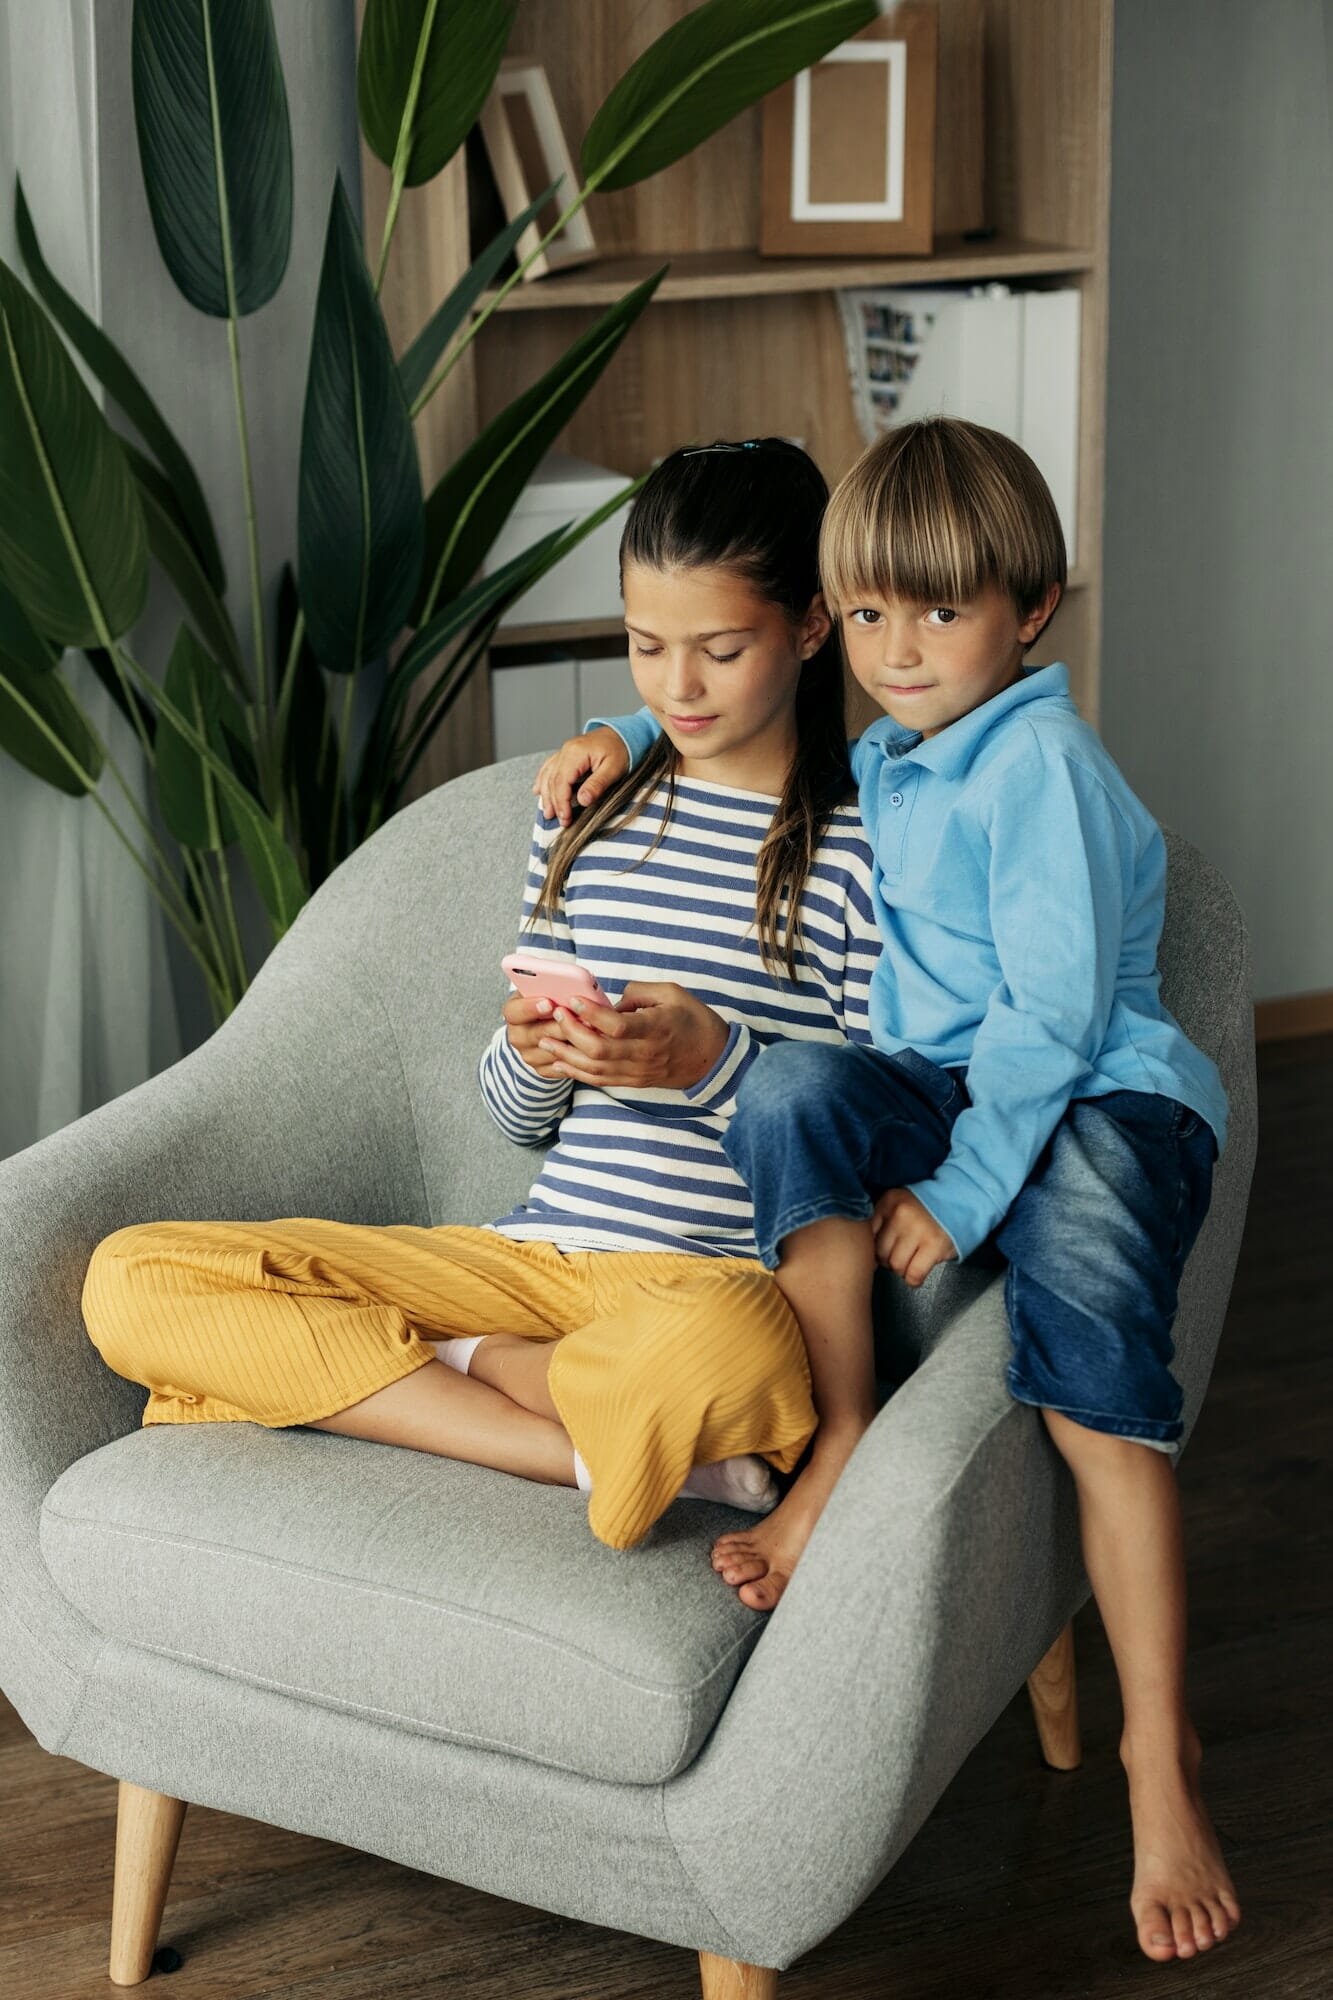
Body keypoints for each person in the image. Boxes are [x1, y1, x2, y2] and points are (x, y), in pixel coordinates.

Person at [533, 416, 1242, 1963]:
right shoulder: (904, 754)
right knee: (788, 1084)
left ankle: (1154, 1756)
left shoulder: (1037, 767)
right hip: (954, 1084)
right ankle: (839, 1434)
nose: (898, 650)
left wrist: (972, 1186)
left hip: (1096, 1098)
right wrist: (632, 735)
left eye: (940, 611)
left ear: (1030, 609)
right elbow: (731, 697)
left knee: (1093, 1403)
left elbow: (1052, 1022)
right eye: (868, 615)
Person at [81, 436, 882, 1557]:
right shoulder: (587, 813)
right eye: (645, 645)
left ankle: (448, 1375)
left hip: (704, 1286)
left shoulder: (859, 857)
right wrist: (533, 1053)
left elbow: (874, 1128)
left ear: (808, 627)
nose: (676, 686)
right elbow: (514, 1118)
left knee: (729, 1356)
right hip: (528, 1260)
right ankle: (575, 1443)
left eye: (720, 648)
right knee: (133, 1277)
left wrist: (712, 1064)